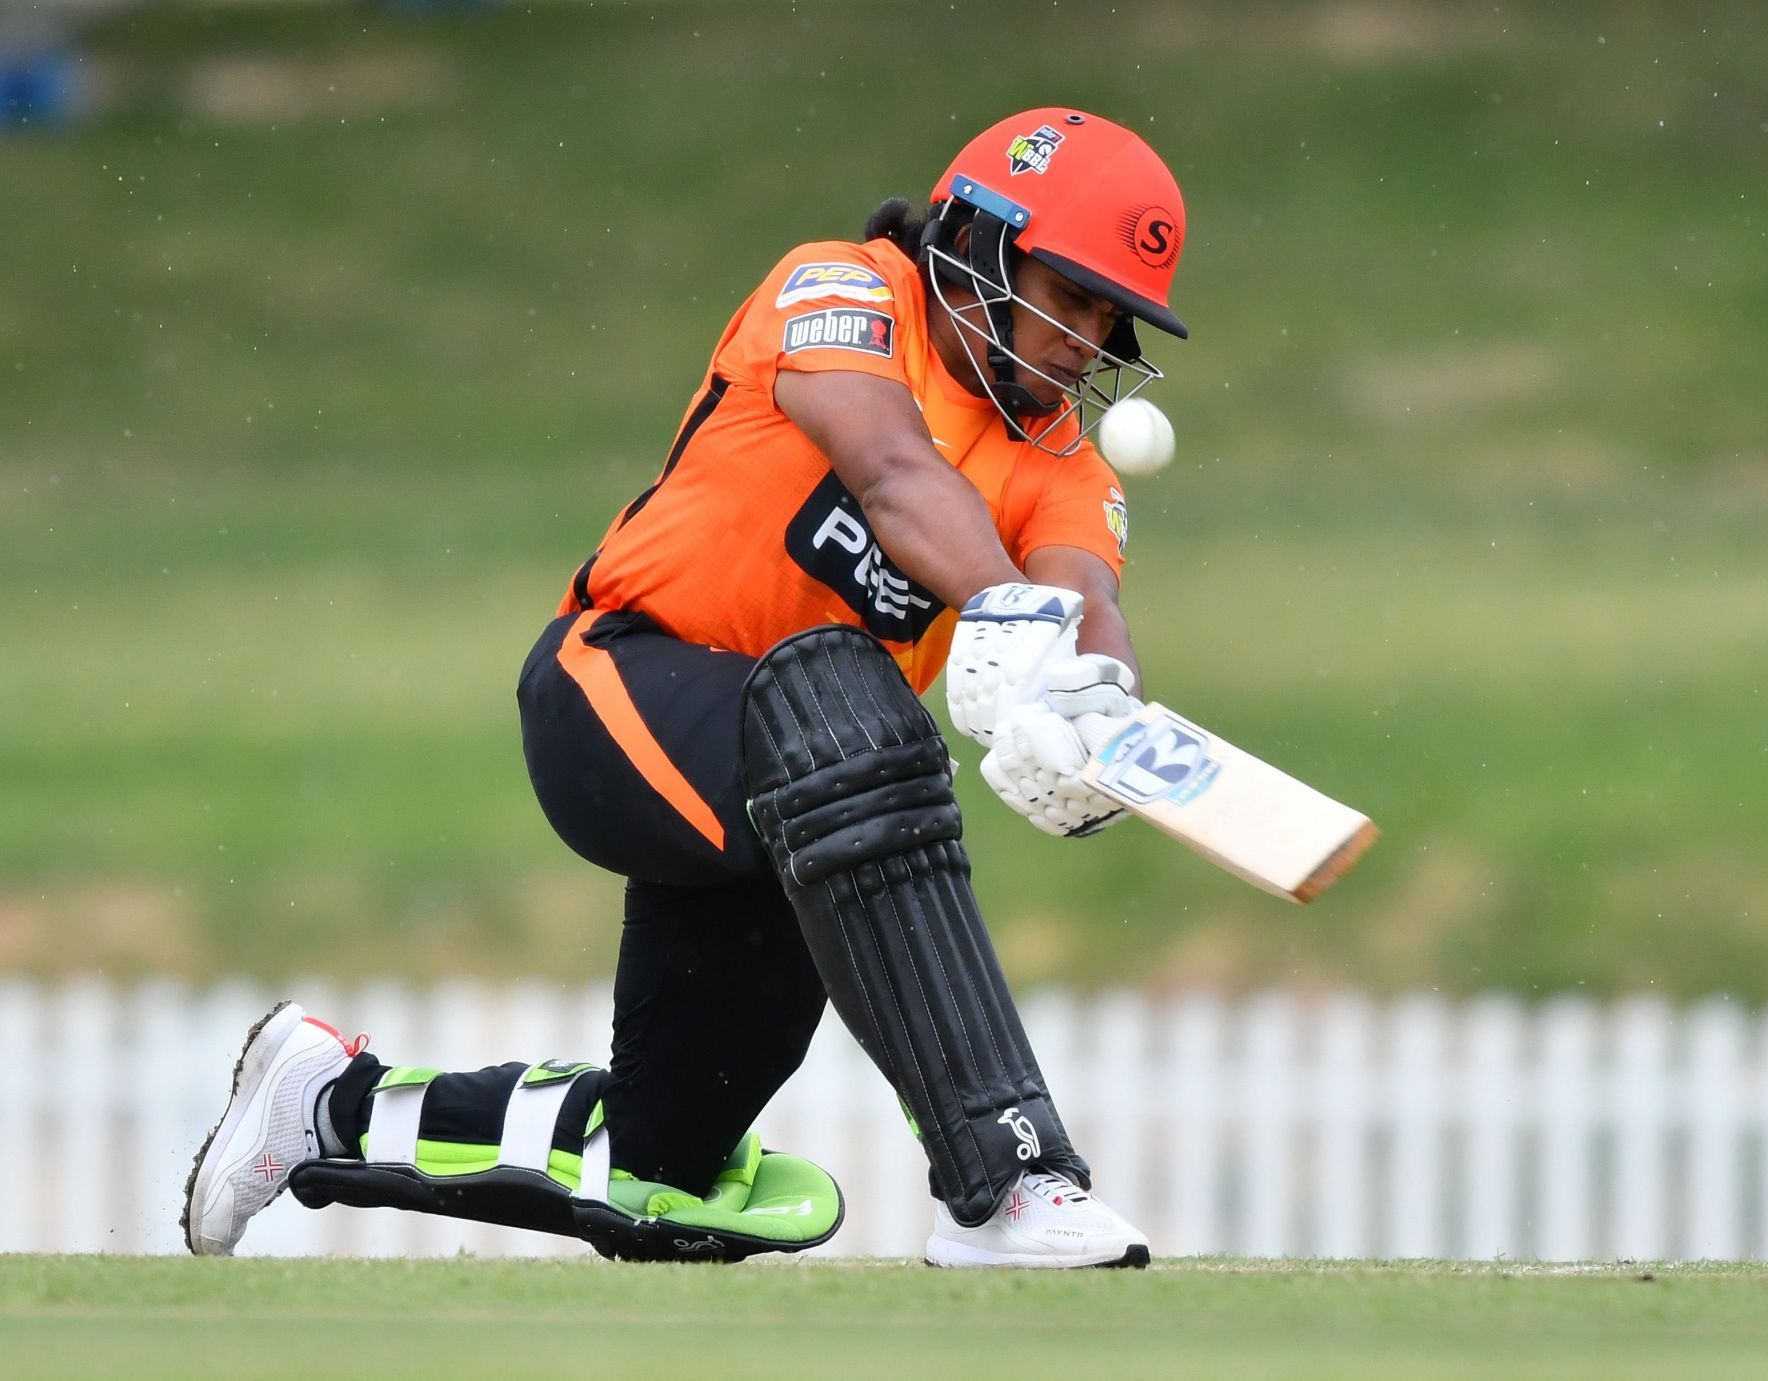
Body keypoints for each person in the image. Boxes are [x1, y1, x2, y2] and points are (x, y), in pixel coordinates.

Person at [183, 107, 1189, 1268]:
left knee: (661, 1162)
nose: (1087, 339)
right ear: (977, 240)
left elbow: (1085, 599)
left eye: (1112, 319)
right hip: (619, 688)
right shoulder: (841, 290)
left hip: (804, 800)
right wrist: (1013, 613)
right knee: (855, 705)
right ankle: (1011, 1180)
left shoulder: (1059, 454)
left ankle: (324, 1099)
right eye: (1070, 296)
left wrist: (1094, 696)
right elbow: (892, 467)